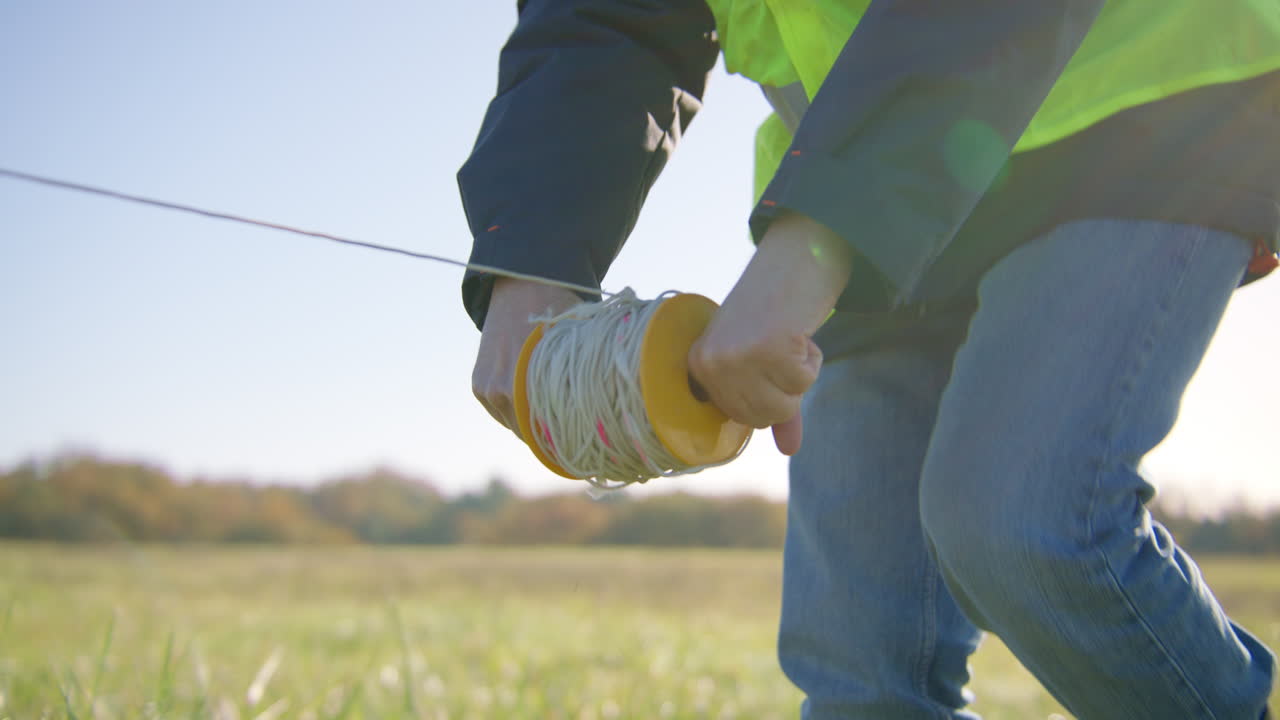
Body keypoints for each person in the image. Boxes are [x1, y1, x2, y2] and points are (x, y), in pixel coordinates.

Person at [458, 1, 1280, 717]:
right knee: (858, 665)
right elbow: (606, 15)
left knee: (1024, 523)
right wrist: (532, 252)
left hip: (1137, 114)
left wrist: (817, 238)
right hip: (875, 180)